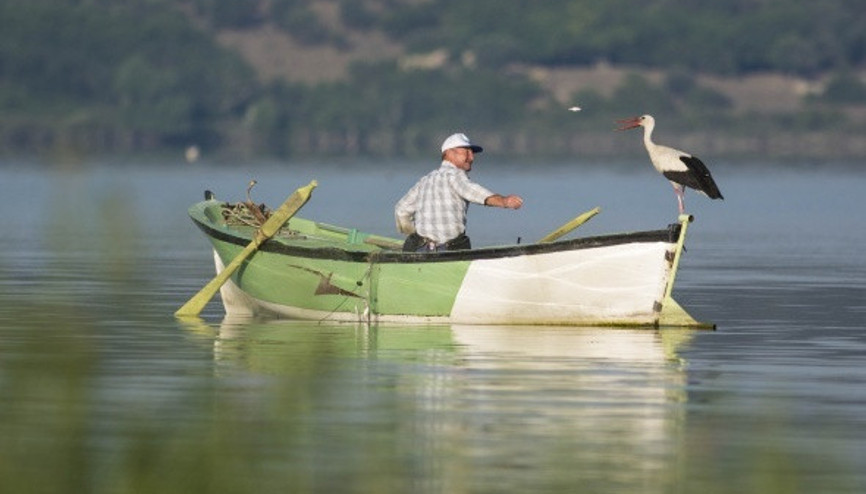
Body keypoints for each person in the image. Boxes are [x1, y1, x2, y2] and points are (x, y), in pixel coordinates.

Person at [395, 132, 523, 252]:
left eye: (472, 153)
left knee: (415, 240)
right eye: (466, 152)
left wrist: (416, 234)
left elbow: (401, 210)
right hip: (449, 251)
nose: (471, 157)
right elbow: (474, 192)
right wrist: (504, 201)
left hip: (421, 250)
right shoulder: (455, 176)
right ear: (449, 153)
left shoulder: (425, 180)